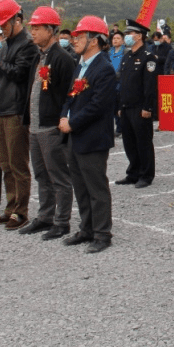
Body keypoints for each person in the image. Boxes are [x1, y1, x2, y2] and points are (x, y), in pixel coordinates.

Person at [0, 0, 40, 231]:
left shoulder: (27, 46)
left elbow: (18, 74)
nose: (1, 29)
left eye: (5, 24)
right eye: (0, 25)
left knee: (18, 164)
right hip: (1, 109)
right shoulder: (8, 44)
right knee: (5, 163)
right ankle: (10, 208)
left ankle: (20, 212)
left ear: (18, 20)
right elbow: (0, 74)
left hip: (14, 110)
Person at [59, 16, 117, 254]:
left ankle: (102, 233)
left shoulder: (104, 69)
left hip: (92, 137)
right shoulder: (80, 64)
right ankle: (86, 228)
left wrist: (72, 123)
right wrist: (64, 116)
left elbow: (98, 106)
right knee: (80, 186)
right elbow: (70, 96)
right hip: (74, 134)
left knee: (96, 187)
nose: (75, 41)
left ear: (94, 41)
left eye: (79, 37)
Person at [19, 7, 77, 239]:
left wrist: (62, 120)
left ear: (51, 30)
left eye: (37, 27)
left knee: (59, 177)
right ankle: (45, 217)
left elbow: (69, 94)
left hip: (51, 126)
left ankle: (62, 221)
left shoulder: (62, 58)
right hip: (35, 126)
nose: (32, 31)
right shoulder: (38, 56)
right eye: (31, 27)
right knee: (41, 175)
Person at [114, 18, 159, 189]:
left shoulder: (148, 58)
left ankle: (146, 175)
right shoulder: (127, 56)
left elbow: (150, 86)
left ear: (139, 36)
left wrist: (148, 107)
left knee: (143, 142)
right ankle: (133, 172)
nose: (127, 36)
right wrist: (119, 106)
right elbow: (122, 83)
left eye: (129, 33)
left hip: (140, 108)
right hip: (126, 106)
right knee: (129, 142)